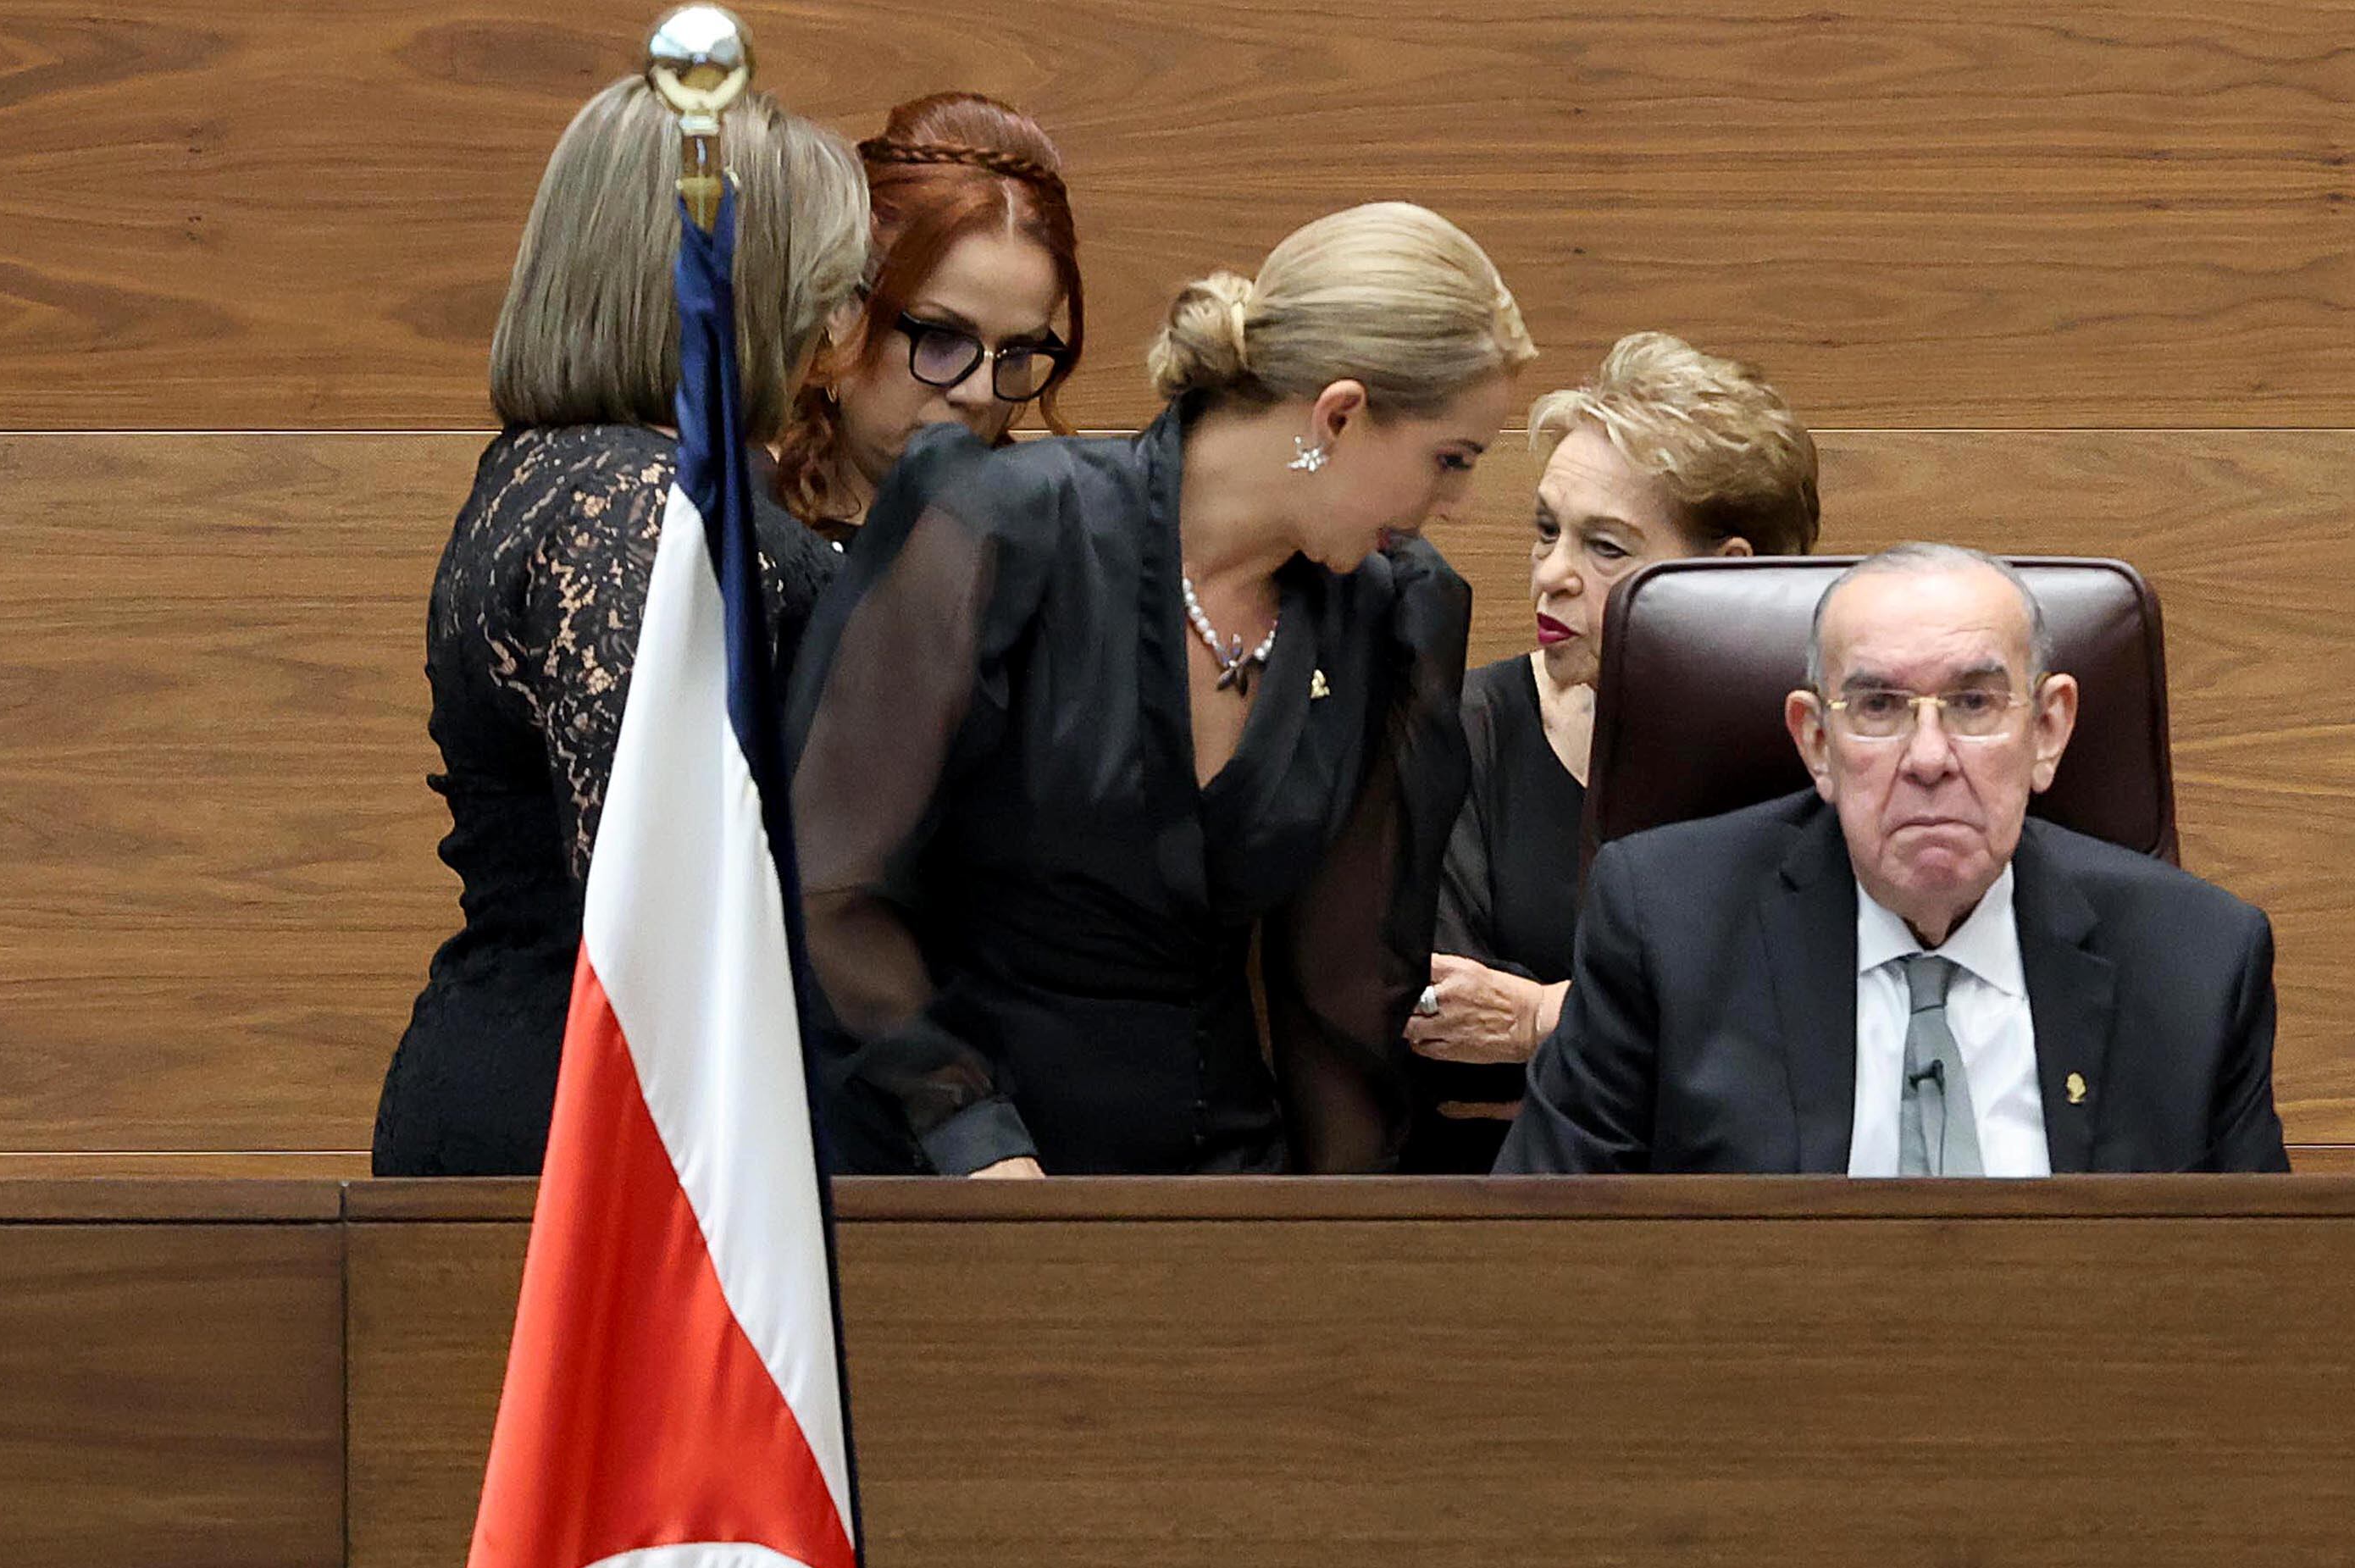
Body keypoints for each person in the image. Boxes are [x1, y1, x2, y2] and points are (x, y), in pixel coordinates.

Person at [787, 203, 1537, 1175]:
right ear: (1339, 414)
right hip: (950, 1175)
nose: (1461, 502)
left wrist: (1340, 1242)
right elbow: (829, 884)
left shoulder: (1389, 615)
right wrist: (973, 1140)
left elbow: (1342, 993)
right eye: (1452, 458)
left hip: (1218, 1186)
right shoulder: (1002, 526)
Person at [370, 80, 867, 1177]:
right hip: (604, 1139)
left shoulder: (565, 473)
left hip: (581, 1101)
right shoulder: (635, 505)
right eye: (826, 293)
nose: (836, 337)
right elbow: (662, 905)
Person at [1499, 545, 2290, 1176]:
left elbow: (2266, 1298)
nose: (1930, 757)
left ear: (2048, 730)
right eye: (1878, 708)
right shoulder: (1665, 930)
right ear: (1816, 742)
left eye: (1975, 704)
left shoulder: (2198, 963)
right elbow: (1537, 1259)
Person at [1401, 332, 1820, 1169]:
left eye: (1605, 547)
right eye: (1547, 529)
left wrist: (1541, 1017)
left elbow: (1818, 1029)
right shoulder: (1461, 729)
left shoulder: (1823, 757)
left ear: (1723, 573)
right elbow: (1443, 1024)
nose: (1551, 574)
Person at [775, 92, 1083, 540]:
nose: (980, 396)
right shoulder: (731, 539)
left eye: (1017, 353)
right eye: (942, 339)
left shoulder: (1057, 560)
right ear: (840, 311)